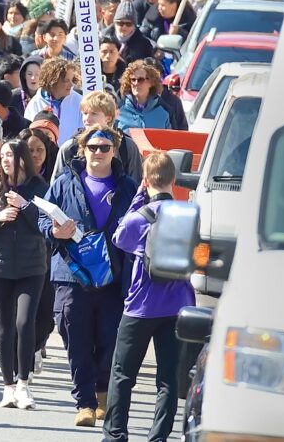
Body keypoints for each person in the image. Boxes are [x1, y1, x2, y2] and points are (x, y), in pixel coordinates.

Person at [40, 124, 137, 427]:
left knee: (110, 336)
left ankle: (103, 393)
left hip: (113, 275)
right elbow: (42, 218)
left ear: (114, 150)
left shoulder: (128, 186)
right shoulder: (65, 182)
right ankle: (84, 402)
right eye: (92, 147)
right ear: (82, 149)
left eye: (104, 148)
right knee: (75, 336)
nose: (97, 153)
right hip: (72, 273)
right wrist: (54, 230)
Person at [102, 152, 194, 442]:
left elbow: (119, 239)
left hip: (141, 306)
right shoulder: (188, 215)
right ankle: (159, 437)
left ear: (145, 180)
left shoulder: (139, 219)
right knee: (168, 378)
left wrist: (137, 200)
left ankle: (116, 434)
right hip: (178, 305)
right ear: (174, 180)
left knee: (122, 374)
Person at [0, 138, 49, 410]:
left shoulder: (38, 186)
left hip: (32, 266)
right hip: (0, 266)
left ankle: (24, 384)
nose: (6, 160)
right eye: (3, 156)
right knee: (4, 326)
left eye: (12, 155)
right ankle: (7, 387)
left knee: (25, 322)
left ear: (22, 159)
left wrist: (24, 205)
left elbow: (46, 224)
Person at [23, 58, 82, 144]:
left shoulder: (80, 101)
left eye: (72, 80)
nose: (71, 84)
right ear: (53, 81)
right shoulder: (35, 104)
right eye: (66, 81)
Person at [115, 60, 172, 131]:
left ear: (151, 82)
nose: (136, 83)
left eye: (140, 80)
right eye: (133, 80)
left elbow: (171, 139)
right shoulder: (119, 110)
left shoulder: (163, 112)